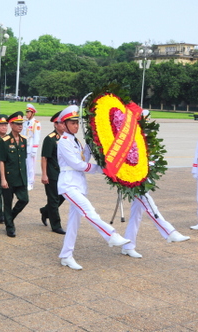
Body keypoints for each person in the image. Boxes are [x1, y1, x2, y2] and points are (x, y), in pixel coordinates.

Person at [56, 105, 130, 270]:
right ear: (65, 124)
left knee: (74, 223)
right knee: (88, 211)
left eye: (77, 122)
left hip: (78, 184)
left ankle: (66, 256)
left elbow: (84, 158)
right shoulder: (63, 141)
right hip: (68, 184)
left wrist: (90, 145)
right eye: (73, 123)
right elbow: (77, 164)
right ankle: (111, 235)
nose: (76, 125)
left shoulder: (75, 140)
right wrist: (101, 169)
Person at [0, 111, 29, 238]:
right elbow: (1, 161)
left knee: (24, 200)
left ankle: (9, 217)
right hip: (9, 177)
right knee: (7, 202)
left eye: (21, 124)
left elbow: (24, 160)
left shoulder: (23, 140)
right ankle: (10, 227)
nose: (20, 126)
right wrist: (3, 179)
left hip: (21, 177)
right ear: (11, 125)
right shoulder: (5, 141)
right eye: (17, 124)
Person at [40, 111, 66, 234]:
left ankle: (45, 211)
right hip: (52, 174)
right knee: (54, 199)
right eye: (61, 123)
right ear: (55, 124)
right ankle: (56, 225)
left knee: (63, 196)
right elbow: (44, 158)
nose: (64, 125)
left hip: (63, 174)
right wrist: (44, 174)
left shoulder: (66, 137)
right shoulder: (50, 139)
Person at [21, 104, 41, 190]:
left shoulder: (36, 123)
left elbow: (37, 137)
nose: (27, 114)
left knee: (31, 166)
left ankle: (30, 183)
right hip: (25, 146)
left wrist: (34, 149)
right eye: (26, 112)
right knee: (25, 166)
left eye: (28, 112)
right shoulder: (25, 123)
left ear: (32, 113)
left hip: (31, 147)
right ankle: (25, 181)